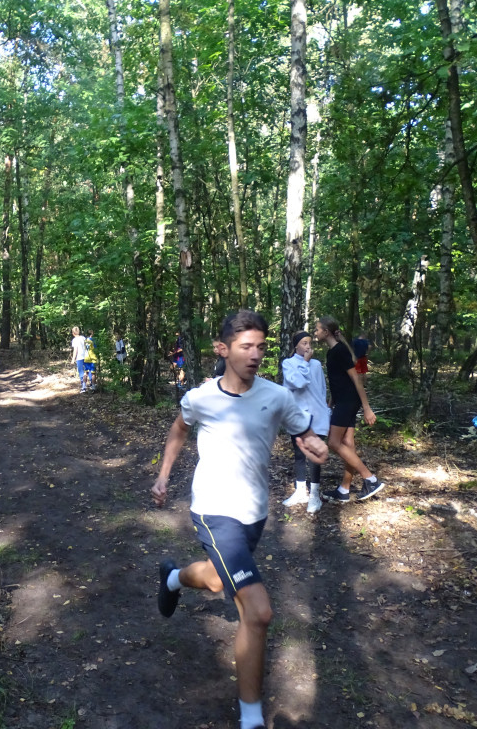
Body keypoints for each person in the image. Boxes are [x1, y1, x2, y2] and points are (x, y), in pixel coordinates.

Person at [152, 310, 329, 729]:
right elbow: (179, 430)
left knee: (217, 578)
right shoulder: (200, 398)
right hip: (213, 510)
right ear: (223, 349)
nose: (255, 355)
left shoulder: (277, 396)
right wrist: (162, 476)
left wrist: (313, 444)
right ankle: (251, 719)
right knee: (258, 610)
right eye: (246, 346)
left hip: (254, 513)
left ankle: (174, 578)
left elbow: (301, 431)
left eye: (261, 347)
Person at [315, 316, 384, 503]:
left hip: (348, 401)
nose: (315, 332)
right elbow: (338, 382)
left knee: (334, 443)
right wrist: (330, 403)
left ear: (326, 332)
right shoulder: (332, 352)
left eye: (317, 329)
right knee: (348, 443)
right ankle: (344, 489)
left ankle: (370, 478)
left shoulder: (339, 351)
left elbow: (356, 380)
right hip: (343, 400)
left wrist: (367, 408)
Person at [281, 331, 330, 513]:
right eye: (303, 343)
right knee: (300, 454)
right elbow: (297, 383)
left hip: (317, 415)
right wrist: (305, 362)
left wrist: (325, 410)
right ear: (296, 345)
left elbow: (321, 389)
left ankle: (315, 495)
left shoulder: (316, 365)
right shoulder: (288, 363)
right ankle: (301, 491)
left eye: (309, 342)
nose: (308, 346)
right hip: (298, 415)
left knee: (314, 455)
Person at [70, 326, 88, 393]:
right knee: (86, 371)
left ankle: (83, 387)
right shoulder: (83, 338)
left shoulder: (74, 340)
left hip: (79, 357)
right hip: (86, 356)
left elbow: (75, 350)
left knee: (81, 372)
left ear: (73, 333)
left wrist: (73, 359)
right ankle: (88, 385)